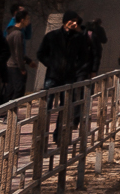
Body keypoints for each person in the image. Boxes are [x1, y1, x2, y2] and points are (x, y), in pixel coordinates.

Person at [38, 10, 93, 149]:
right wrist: (51, 64)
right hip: (52, 76)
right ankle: (41, 138)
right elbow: (41, 54)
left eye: (76, 21)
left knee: (65, 107)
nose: (74, 23)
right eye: (72, 20)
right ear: (65, 21)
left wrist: (75, 67)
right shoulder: (52, 36)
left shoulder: (79, 38)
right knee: (46, 108)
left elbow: (84, 56)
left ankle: (59, 136)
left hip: (69, 78)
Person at [2, 7, 33, 102]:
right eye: (27, 19)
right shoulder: (17, 34)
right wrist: (22, 68)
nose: (29, 21)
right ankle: (9, 112)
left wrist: (28, 61)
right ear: (22, 20)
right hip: (14, 66)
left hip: (10, 65)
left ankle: (4, 113)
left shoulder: (11, 31)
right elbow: (18, 53)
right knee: (19, 90)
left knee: (10, 90)